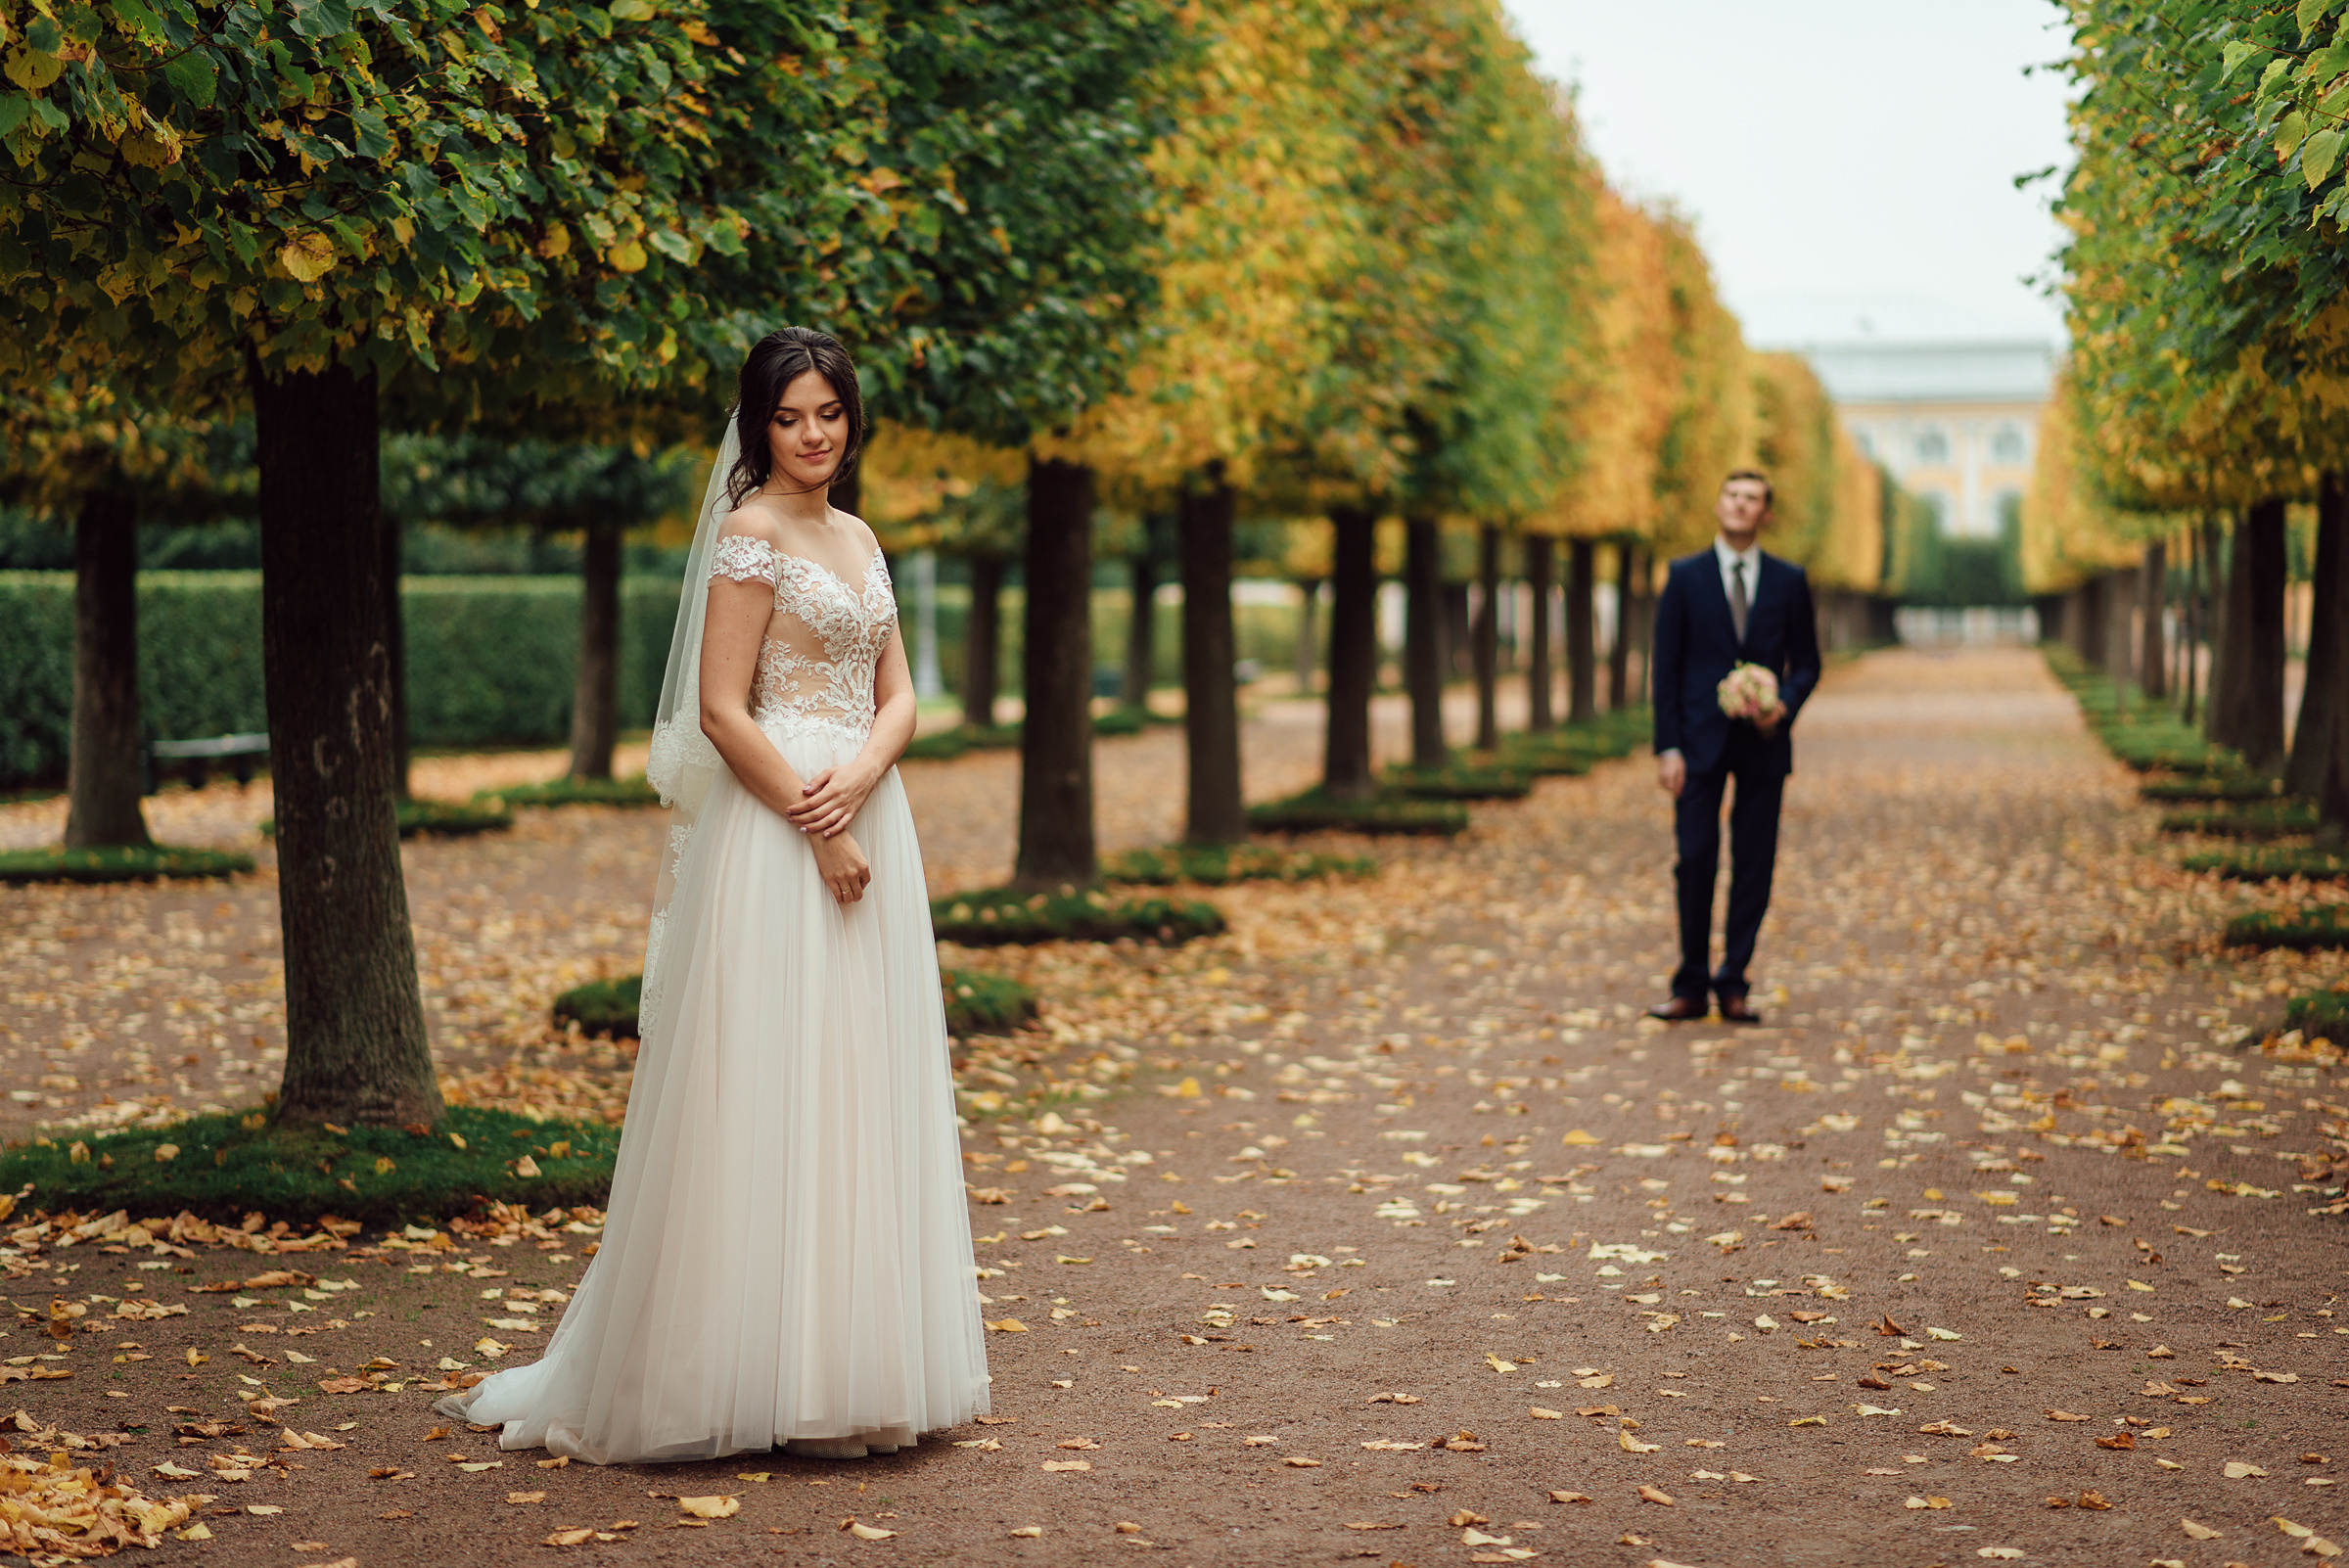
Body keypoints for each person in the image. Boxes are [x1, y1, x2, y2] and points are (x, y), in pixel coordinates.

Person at [434, 327, 990, 1463]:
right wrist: (816, 822)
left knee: (856, 1083)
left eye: (829, 411)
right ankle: (740, 1369)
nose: (813, 434)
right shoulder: (749, 538)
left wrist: (868, 780)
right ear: (757, 425)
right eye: (789, 417)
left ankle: (849, 1367)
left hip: (864, 811)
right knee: (772, 1080)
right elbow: (722, 709)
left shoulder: (862, 535)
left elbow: (898, 695)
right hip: (779, 829)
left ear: (852, 416)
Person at [1645, 469, 1820, 1025]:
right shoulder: (1684, 576)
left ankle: (1734, 982)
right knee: (1695, 858)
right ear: (1719, 504)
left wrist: (1781, 704)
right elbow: (1665, 667)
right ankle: (1690, 983)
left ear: (1765, 514)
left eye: (1752, 500)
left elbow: (1809, 662)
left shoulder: (1790, 581)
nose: (1740, 506)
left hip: (1764, 742)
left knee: (1754, 863)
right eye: (1732, 496)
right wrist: (1667, 746)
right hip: (1697, 742)